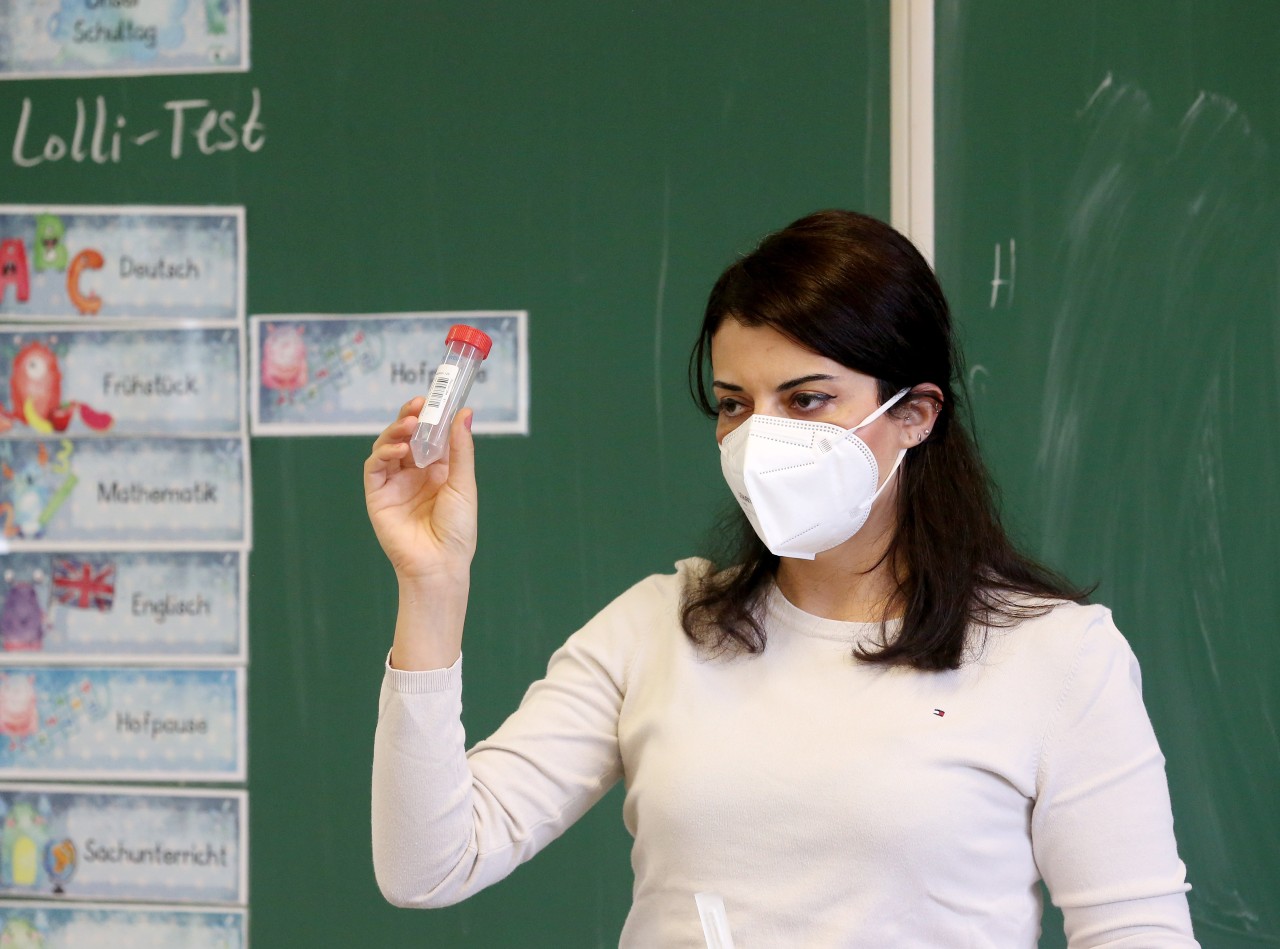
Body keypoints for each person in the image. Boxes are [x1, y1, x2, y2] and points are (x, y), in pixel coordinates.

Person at [367, 210, 1198, 947]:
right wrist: (432, 585)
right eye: (734, 402)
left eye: (806, 400)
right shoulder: (660, 626)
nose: (759, 436)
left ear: (914, 413)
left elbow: (1137, 932)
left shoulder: (1054, 655)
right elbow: (428, 864)